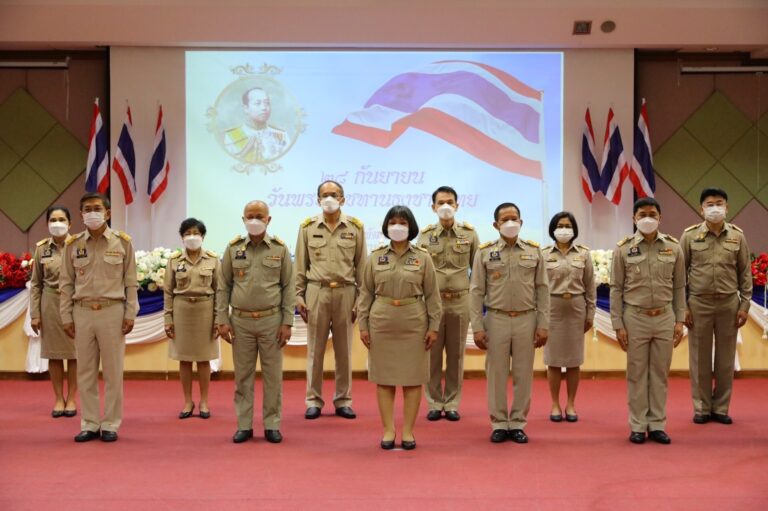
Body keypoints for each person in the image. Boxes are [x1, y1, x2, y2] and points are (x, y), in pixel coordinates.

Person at [358, 205, 441, 450]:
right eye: (393, 222)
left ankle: (407, 431)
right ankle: (387, 430)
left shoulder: (423, 257)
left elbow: (433, 296)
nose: (397, 227)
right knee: (384, 379)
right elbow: (365, 294)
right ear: (386, 226)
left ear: (411, 227)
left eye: (402, 223)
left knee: (413, 379)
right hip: (382, 321)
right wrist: (363, 325)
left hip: (413, 321)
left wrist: (434, 326)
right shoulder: (375, 257)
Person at [59, 192, 138, 443]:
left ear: (108, 213)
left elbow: (131, 282)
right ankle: (90, 423)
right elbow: (66, 283)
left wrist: (130, 313)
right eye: (87, 209)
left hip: (112, 311)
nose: (92, 213)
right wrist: (66, 316)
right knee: (85, 371)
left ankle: (111, 424)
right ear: (81, 214)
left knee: (113, 373)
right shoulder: (73, 245)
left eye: (97, 208)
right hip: (81, 312)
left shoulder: (122, 243)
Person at [470, 202, 549, 444]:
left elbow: (542, 289)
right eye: (505, 219)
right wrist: (477, 327)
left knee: (524, 374)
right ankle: (498, 422)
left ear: (522, 222)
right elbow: (476, 292)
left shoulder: (534, 251)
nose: (510, 223)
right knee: (496, 374)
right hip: (496, 319)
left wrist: (543, 323)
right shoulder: (484, 252)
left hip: (527, 318)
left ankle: (517, 423)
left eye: (514, 218)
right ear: (496, 225)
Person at [216, 201, 294, 444]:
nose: (254, 220)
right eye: (250, 216)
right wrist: (221, 319)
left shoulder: (280, 249)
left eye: (259, 216)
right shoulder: (233, 248)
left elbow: (289, 287)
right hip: (240, 321)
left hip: (272, 320)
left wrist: (287, 322)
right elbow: (223, 286)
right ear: (243, 219)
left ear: (268, 219)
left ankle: (272, 424)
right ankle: (244, 425)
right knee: (243, 377)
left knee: (273, 377)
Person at [610, 197, 685, 445]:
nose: (647, 219)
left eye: (652, 214)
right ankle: (638, 425)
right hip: (635, 318)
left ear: (660, 217)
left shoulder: (673, 247)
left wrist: (679, 320)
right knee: (637, 373)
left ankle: (657, 425)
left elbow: (679, 287)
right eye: (642, 214)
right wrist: (618, 324)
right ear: (633, 218)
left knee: (660, 373)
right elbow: (616, 289)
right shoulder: (623, 249)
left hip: (664, 317)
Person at [295, 180, 366, 420]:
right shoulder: (307, 227)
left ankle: (343, 399)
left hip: (346, 292)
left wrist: (361, 301)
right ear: (317, 200)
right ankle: (313, 400)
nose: (329, 199)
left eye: (334, 194)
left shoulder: (355, 227)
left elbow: (362, 268)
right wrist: (298, 296)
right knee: (314, 349)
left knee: (344, 350)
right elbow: (300, 266)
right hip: (317, 292)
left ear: (343, 199)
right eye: (324, 195)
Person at [680, 188, 752, 425]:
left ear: (727, 207)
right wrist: (683, 308)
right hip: (698, 303)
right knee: (699, 359)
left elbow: (745, 272)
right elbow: (679, 276)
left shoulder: (737, 236)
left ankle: (721, 407)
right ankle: (701, 408)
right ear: (701, 209)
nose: (714, 208)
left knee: (725, 359)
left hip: (729, 304)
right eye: (709, 204)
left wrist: (744, 305)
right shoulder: (689, 236)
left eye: (719, 203)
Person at [416, 186, 479, 422]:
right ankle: (434, 402)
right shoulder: (424, 236)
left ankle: (451, 402)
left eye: (450, 202)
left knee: (456, 355)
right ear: (433, 207)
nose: (445, 206)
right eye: (441, 202)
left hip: (461, 301)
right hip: (433, 303)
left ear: (457, 205)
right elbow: (418, 271)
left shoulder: (470, 234)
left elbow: (479, 271)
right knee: (431, 355)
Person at [163, 218, 220, 420]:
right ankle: (188, 401)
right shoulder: (174, 260)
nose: (192, 237)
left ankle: (204, 401)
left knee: (204, 359)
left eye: (196, 233)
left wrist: (218, 319)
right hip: (181, 312)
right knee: (184, 360)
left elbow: (220, 291)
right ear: (182, 237)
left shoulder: (213, 260)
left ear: (203, 236)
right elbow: (168, 292)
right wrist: (167, 319)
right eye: (187, 233)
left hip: (206, 311)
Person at [542, 212, 596, 423]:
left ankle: (571, 404)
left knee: (574, 361)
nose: (564, 229)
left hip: (576, 308)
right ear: (553, 229)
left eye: (567, 225)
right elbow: (537, 287)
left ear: (574, 229)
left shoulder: (583, 254)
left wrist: (590, 313)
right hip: (552, 309)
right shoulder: (543, 253)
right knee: (553, 361)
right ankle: (555, 404)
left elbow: (590, 286)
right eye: (560, 225)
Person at [29, 205, 78, 418]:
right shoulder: (42, 249)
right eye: (53, 220)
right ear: (48, 223)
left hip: (76, 303)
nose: (57, 224)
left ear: (70, 223)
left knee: (75, 355)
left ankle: (73, 398)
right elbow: (36, 284)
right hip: (50, 303)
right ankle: (59, 398)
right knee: (54, 355)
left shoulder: (80, 245)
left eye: (61, 220)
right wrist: (35, 314)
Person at [224, 87, 291, 162]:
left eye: (267, 103)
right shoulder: (231, 137)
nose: (264, 108)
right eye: (258, 103)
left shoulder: (282, 136)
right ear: (246, 108)